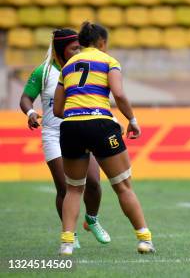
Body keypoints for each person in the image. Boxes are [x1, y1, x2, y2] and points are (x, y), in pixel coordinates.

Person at [53, 22, 154, 255]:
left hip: (70, 127)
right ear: (102, 42)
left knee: (74, 189)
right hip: (100, 124)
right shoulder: (109, 61)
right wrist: (132, 119)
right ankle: (144, 239)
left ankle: (67, 243)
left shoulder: (67, 66)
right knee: (123, 186)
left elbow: (58, 109)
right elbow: (118, 93)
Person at [19, 28, 110, 248]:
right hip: (54, 133)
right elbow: (25, 98)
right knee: (65, 187)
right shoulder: (44, 71)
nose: (78, 51)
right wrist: (31, 112)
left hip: (80, 129)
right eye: (73, 48)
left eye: (79, 47)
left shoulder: (83, 68)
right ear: (61, 50)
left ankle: (92, 219)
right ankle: (70, 232)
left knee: (95, 184)